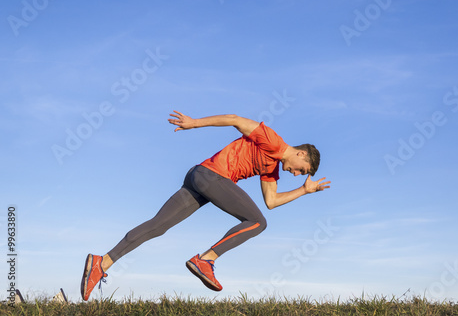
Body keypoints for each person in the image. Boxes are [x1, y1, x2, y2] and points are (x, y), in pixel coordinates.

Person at [80, 111, 330, 300]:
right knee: (257, 222)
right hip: (210, 176)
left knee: (158, 226)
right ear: (301, 154)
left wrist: (304, 191)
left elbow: (271, 201)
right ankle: (206, 260)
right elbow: (235, 120)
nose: (297, 175)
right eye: (302, 171)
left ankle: (101, 262)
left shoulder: (271, 167)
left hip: (199, 178)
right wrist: (193, 123)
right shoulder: (274, 141)